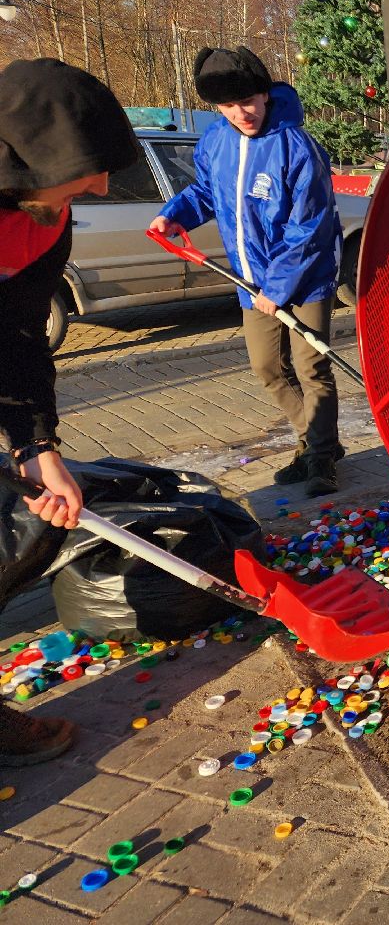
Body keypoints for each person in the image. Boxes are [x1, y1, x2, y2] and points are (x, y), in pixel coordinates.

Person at [0, 57, 142, 765]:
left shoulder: (45, 223)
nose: (102, 187)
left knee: (21, 537)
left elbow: (22, 339)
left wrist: (37, 449)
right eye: (85, 169)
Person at [148, 47, 344, 498]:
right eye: (229, 106)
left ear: (265, 94)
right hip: (250, 281)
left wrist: (278, 287)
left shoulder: (297, 147)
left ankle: (319, 459)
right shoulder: (216, 142)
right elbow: (206, 191)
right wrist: (175, 215)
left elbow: (309, 227)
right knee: (267, 367)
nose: (242, 113)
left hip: (305, 278)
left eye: (249, 101)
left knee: (310, 366)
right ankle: (317, 442)